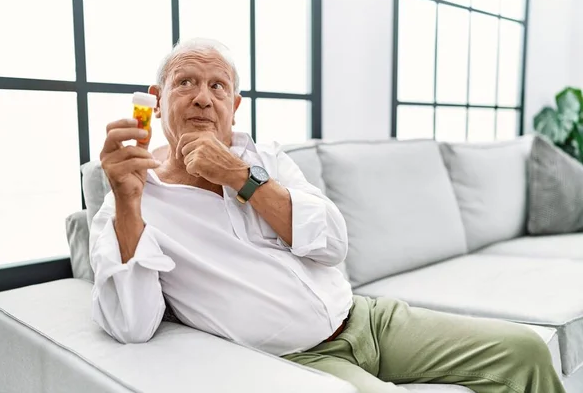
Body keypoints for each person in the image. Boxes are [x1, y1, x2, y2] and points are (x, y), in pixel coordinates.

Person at [90, 38, 565, 393]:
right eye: (186, 82)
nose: (202, 98)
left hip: (367, 318)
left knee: (524, 351)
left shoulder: (265, 159)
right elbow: (133, 324)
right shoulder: (129, 200)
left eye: (218, 87)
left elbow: (334, 242)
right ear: (155, 97)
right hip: (297, 360)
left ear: (233, 107)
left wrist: (240, 177)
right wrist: (129, 202)